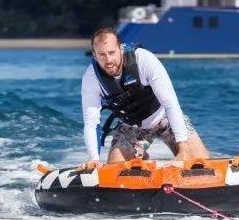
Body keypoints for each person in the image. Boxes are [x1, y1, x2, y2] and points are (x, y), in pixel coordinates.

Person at [81, 28, 209, 169]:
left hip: (164, 118)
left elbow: (170, 104)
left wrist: (183, 148)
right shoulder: (91, 78)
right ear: (94, 55)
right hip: (131, 128)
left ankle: (173, 151)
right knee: (116, 169)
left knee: (200, 162)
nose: (108, 60)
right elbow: (91, 122)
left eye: (112, 53)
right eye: (102, 55)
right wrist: (94, 159)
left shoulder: (144, 59)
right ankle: (141, 156)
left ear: (120, 48)